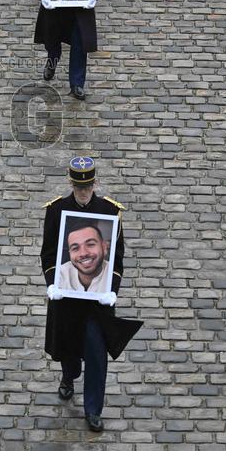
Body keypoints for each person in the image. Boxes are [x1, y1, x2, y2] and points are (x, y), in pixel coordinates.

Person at [41, 157, 141, 432]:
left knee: (96, 353)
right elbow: (49, 252)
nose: (83, 192)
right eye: (78, 187)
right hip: (67, 299)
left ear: (94, 183)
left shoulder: (109, 211)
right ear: (72, 184)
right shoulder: (57, 210)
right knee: (68, 349)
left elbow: (117, 259)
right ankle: (68, 377)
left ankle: (93, 409)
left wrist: (112, 290)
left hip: (98, 302)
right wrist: (53, 282)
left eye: (87, 187)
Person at [58, 221, 111, 293]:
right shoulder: (60, 275)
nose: (83, 253)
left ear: (104, 248)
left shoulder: (113, 274)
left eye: (90, 244)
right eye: (75, 248)